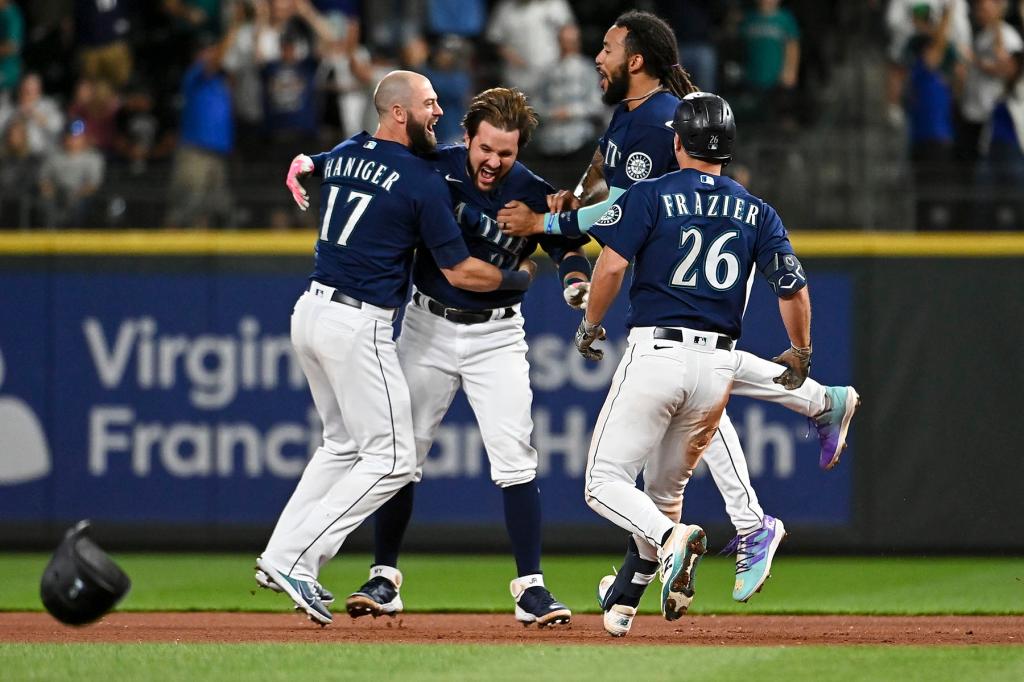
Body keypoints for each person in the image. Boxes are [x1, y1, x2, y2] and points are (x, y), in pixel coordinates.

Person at [497, 10, 859, 635]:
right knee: (690, 424)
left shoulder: (660, 122)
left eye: (608, 48)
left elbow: (620, 218)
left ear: (636, 59)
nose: (598, 57)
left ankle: (743, 521)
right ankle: (630, 593)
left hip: (670, 300)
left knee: (621, 469)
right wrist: (800, 350)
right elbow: (603, 181)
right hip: (714, 298)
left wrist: (550, 226)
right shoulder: (647, 127)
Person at [253, 70, 535, 626]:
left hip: (309, 310)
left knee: (340, 445)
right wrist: (522, 277)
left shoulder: (352, 148)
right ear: (399, 112)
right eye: (430, 104)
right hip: (357, 322)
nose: (439, 112)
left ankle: (276, 555)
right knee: (393, 458)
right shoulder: (421, 179)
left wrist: (307, 161)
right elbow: (460, 270)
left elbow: (327, 161)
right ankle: (296, 559)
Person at [343, 88, 586, 628]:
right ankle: (384, 577)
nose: (495, 162)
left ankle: (531, 589)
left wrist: (575, 279)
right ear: (467, 139)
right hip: (427, 324)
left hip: (496, 337)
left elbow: (568, 243)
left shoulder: (531, 189)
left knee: (515, 458)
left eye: (507, 152)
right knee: (399, 455)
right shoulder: (437, 164)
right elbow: (377, 155)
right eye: (486, 149)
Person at [579, 92, 812, 633]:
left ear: (676, 142)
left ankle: (670, 541)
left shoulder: (652, 193)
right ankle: (623, 603)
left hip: (658, 353)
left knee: (602, 482)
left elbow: (611, 268)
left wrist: (591, 325)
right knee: (663, 493)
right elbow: (792, 290)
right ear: (728, 149)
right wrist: (800, 352)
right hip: (717, 370)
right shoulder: (758, 210)